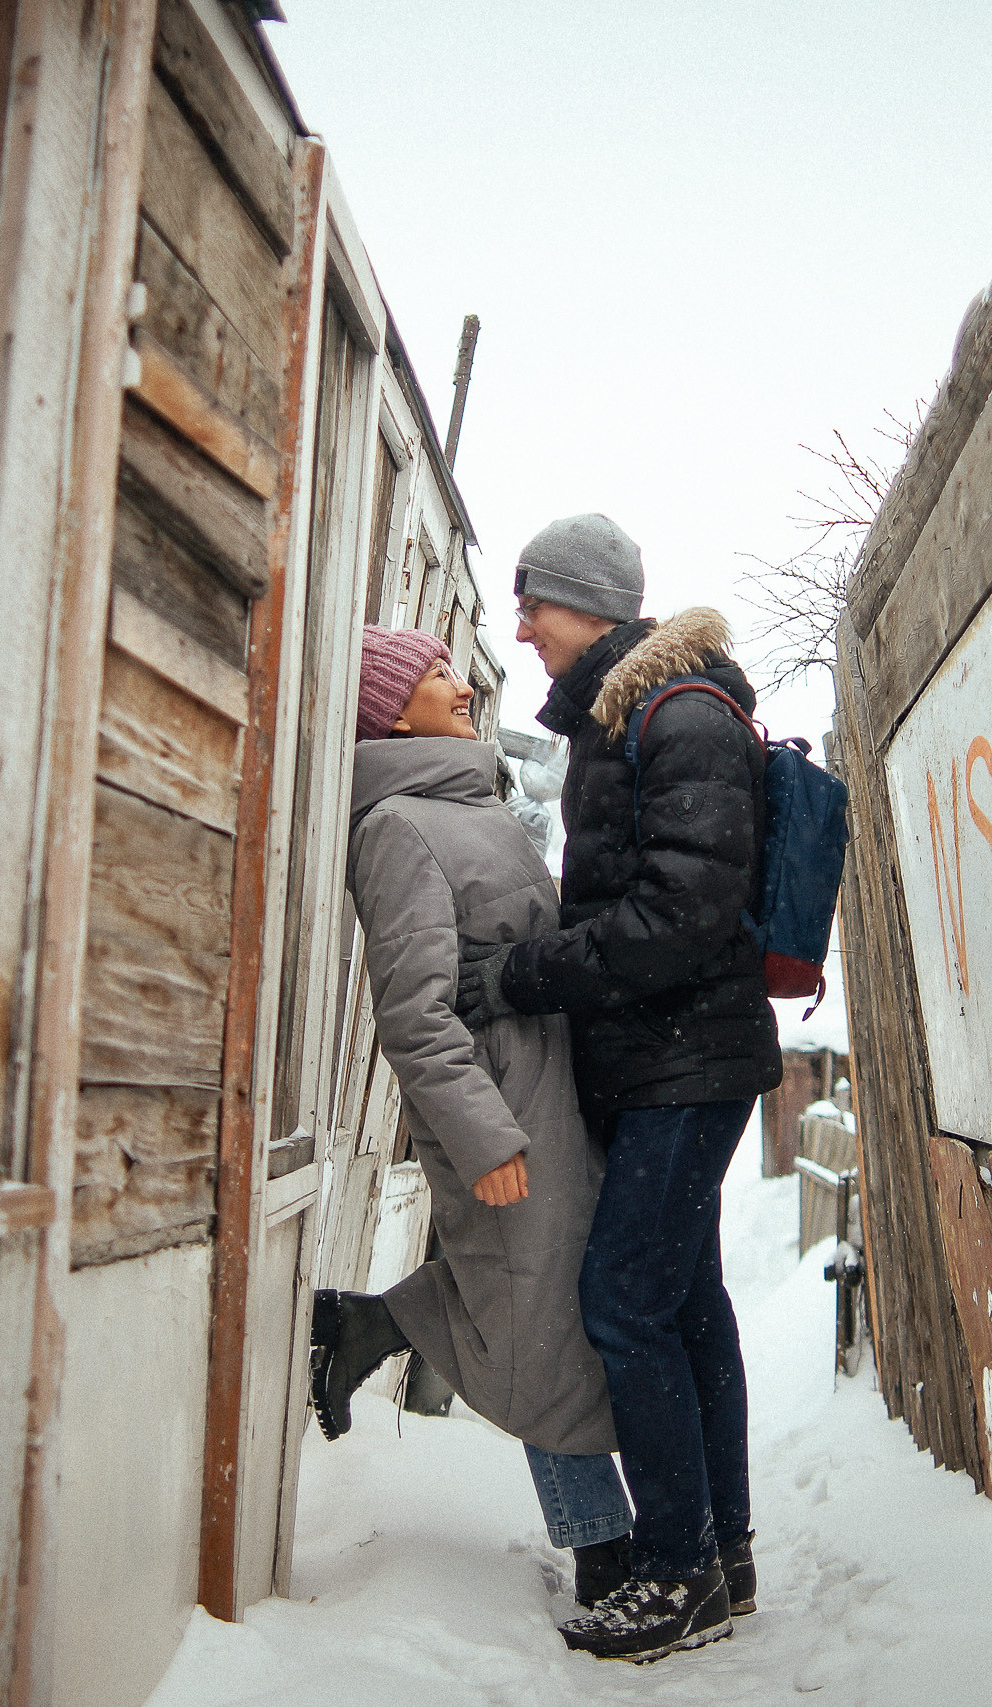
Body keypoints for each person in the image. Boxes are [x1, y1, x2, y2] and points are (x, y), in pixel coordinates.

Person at [454, 514, 781, 1663]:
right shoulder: (625, 717)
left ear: (587, 602)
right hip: (662, 1059)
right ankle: (722, 1553)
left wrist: (523, 976)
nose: (522, 624)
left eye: (533, 600)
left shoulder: (677, 713)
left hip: (685, 1061)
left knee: (625, 1301)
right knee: (683, 1302)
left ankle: (679, 1569)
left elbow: (680, 919)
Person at [308, 624, 640, 1615]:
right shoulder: (398, 829)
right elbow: (413, 1013)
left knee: (537, 1306)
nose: (462, 686)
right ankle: (605, 1559)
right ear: (387, 710)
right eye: (435, 675)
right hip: (502, 1119)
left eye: (455, 669)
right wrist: (482, 1134)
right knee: (540, 1334)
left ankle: (366, 1325)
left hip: (552, 1101)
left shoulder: (474, 806)